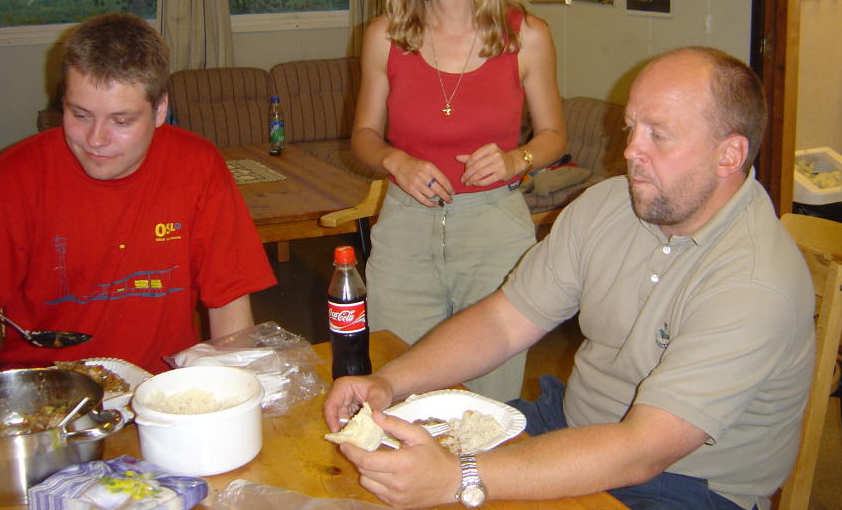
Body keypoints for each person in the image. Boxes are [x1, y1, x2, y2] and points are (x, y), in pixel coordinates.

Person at [325, 47, 815, 510]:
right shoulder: (610, 203)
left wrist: (459, 477)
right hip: (573, 424)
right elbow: (505, 321)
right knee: (371, 474)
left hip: (682, 483)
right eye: (631, 128)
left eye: (658, 135)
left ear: (729, 155)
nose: (630, 151)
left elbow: (642, 450)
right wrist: (388, 382)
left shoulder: (755, 283)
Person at [351, 0, 566, 400]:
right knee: (397, 387)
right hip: (405, 231)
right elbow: (363, 136)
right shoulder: (383, 36)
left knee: (488, 401)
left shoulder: (527, 36)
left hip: (494, 231)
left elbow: (554, 136)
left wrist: (517, 160)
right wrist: (395, 161)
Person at [0, 14, 276, 373]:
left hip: (162, 388)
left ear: (160, 110)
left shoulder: (198, 165)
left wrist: (234, 387)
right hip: (48, 389)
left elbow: (229, 299)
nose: (95, 139)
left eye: (121, 121)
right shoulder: (11, 179)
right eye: (80, 115)